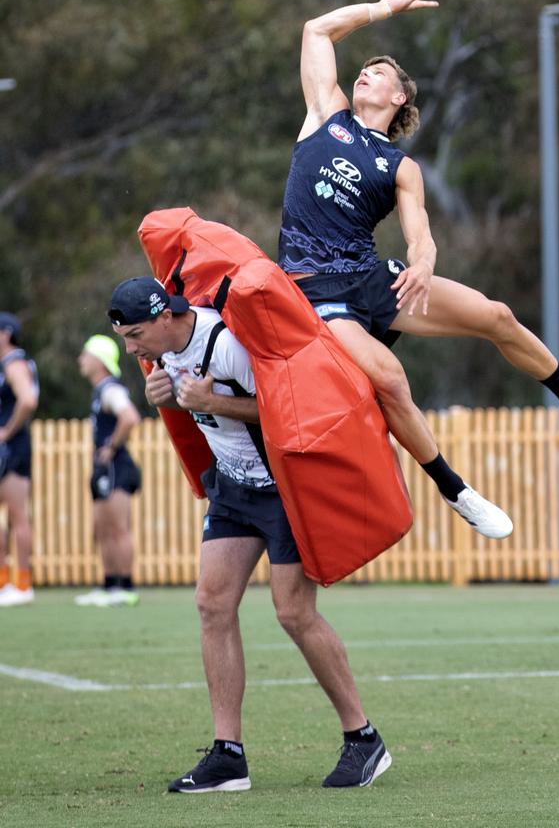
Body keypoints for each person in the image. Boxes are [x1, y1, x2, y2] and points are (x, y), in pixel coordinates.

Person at [278, 0, 559, 540]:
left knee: (496, 315)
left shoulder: (399, 167)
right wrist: (384, 10)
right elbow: (316, 30)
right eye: (364, 69)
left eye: (379, 72)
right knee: (393, 380)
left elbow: (419, 233)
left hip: (370, 278)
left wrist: (423, 262)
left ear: (400, 97)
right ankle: (456, 489)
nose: (365, 74)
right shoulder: (324, 115)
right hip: (316, 290)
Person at [108, 275, 391, 791]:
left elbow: (289, 410)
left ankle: (364, 739)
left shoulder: (223, 343)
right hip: (232, 489)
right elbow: (194, 405)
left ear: (165, 317)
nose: (131, 349)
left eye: (134, 336)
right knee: (212, 603)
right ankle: (227, 756)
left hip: (282, 489)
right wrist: (168, 399)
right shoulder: (161, 352)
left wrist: (211, 402)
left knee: (293, 613)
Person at [75, 334, 141, 607]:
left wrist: (110, 447)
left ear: (98, 361)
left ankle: (124, 586)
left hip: (116, 466)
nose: (81, 360)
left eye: (85, 354)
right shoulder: (100, 390)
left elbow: (130, 417)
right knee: (103, 529)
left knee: (117, 528)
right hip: (105, 468)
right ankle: (109, 584)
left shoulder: (110, 390)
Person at [0, 313, 39, 606]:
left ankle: (22, 584)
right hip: (12, 447)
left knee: (16, 515)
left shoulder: (13, 362)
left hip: (12, 449)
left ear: (6, 334)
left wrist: (6, 432)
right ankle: (5, 583)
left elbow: (27, 400)